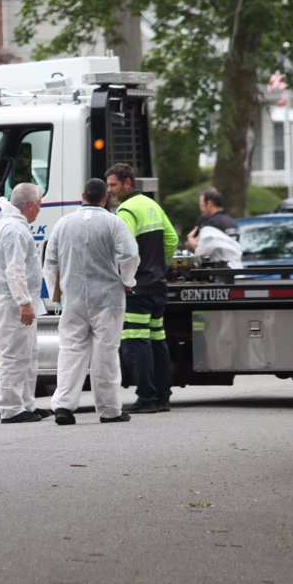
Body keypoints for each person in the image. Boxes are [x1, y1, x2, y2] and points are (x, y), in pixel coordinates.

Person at [44, 178, 140, 425]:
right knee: (106, 352)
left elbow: (50, 262)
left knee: (70, 351)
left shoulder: (63, 224)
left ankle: (63, 406)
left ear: (82, 195)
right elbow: (130, 254)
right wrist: (127, 280)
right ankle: (109, 409)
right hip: (107, 299)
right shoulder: (113, 222)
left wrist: (56, 293)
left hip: (73, 298)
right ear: (104, 198)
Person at [105, 163, 179, 414]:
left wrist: (124, 277)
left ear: (128, 183)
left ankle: (147, 397)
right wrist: (160, 266)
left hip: (137, 287)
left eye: (113, 185)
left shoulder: (126, 209)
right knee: (157, 340)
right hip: (157, 285)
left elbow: (123, 249)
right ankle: (162, 396)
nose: (110, 190)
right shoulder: (152, 205)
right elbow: (172, 239)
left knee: (135, 342)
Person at [0, 182, 50, 423]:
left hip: (15, 302)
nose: (40, 209)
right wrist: (23, 301)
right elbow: (15, 269)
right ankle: (11, 409)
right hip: (12, 304)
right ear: (30, 205)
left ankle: (25, 404)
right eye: (40, 205)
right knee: (14, 354)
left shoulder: (10, 226)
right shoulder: (14, 229)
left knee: (28, 354)